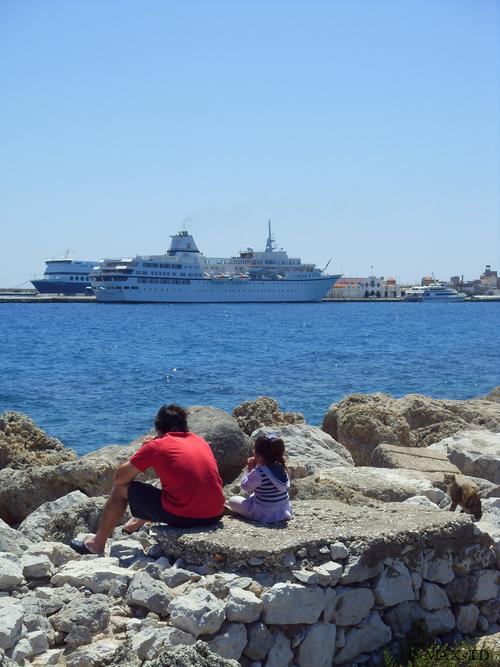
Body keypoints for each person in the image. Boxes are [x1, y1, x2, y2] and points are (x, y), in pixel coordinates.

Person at [70, 404, 225, 555]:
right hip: (215, 514)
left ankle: (97, 544)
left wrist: (142, 450)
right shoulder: (200, 441)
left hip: (185, 516)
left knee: (121, 490)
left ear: (158, 428)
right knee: (173, 484)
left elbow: (119, 479)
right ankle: (138, 520)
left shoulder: (157, 445)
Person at [227, 434, 292, 524]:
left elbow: (244, 487)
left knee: (232, 501)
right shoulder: (281, 467)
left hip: (263, 512)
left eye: (255, 451)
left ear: (260, 457)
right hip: (283, 510)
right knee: (254, 495)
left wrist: (249, 470)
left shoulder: (259, 472)